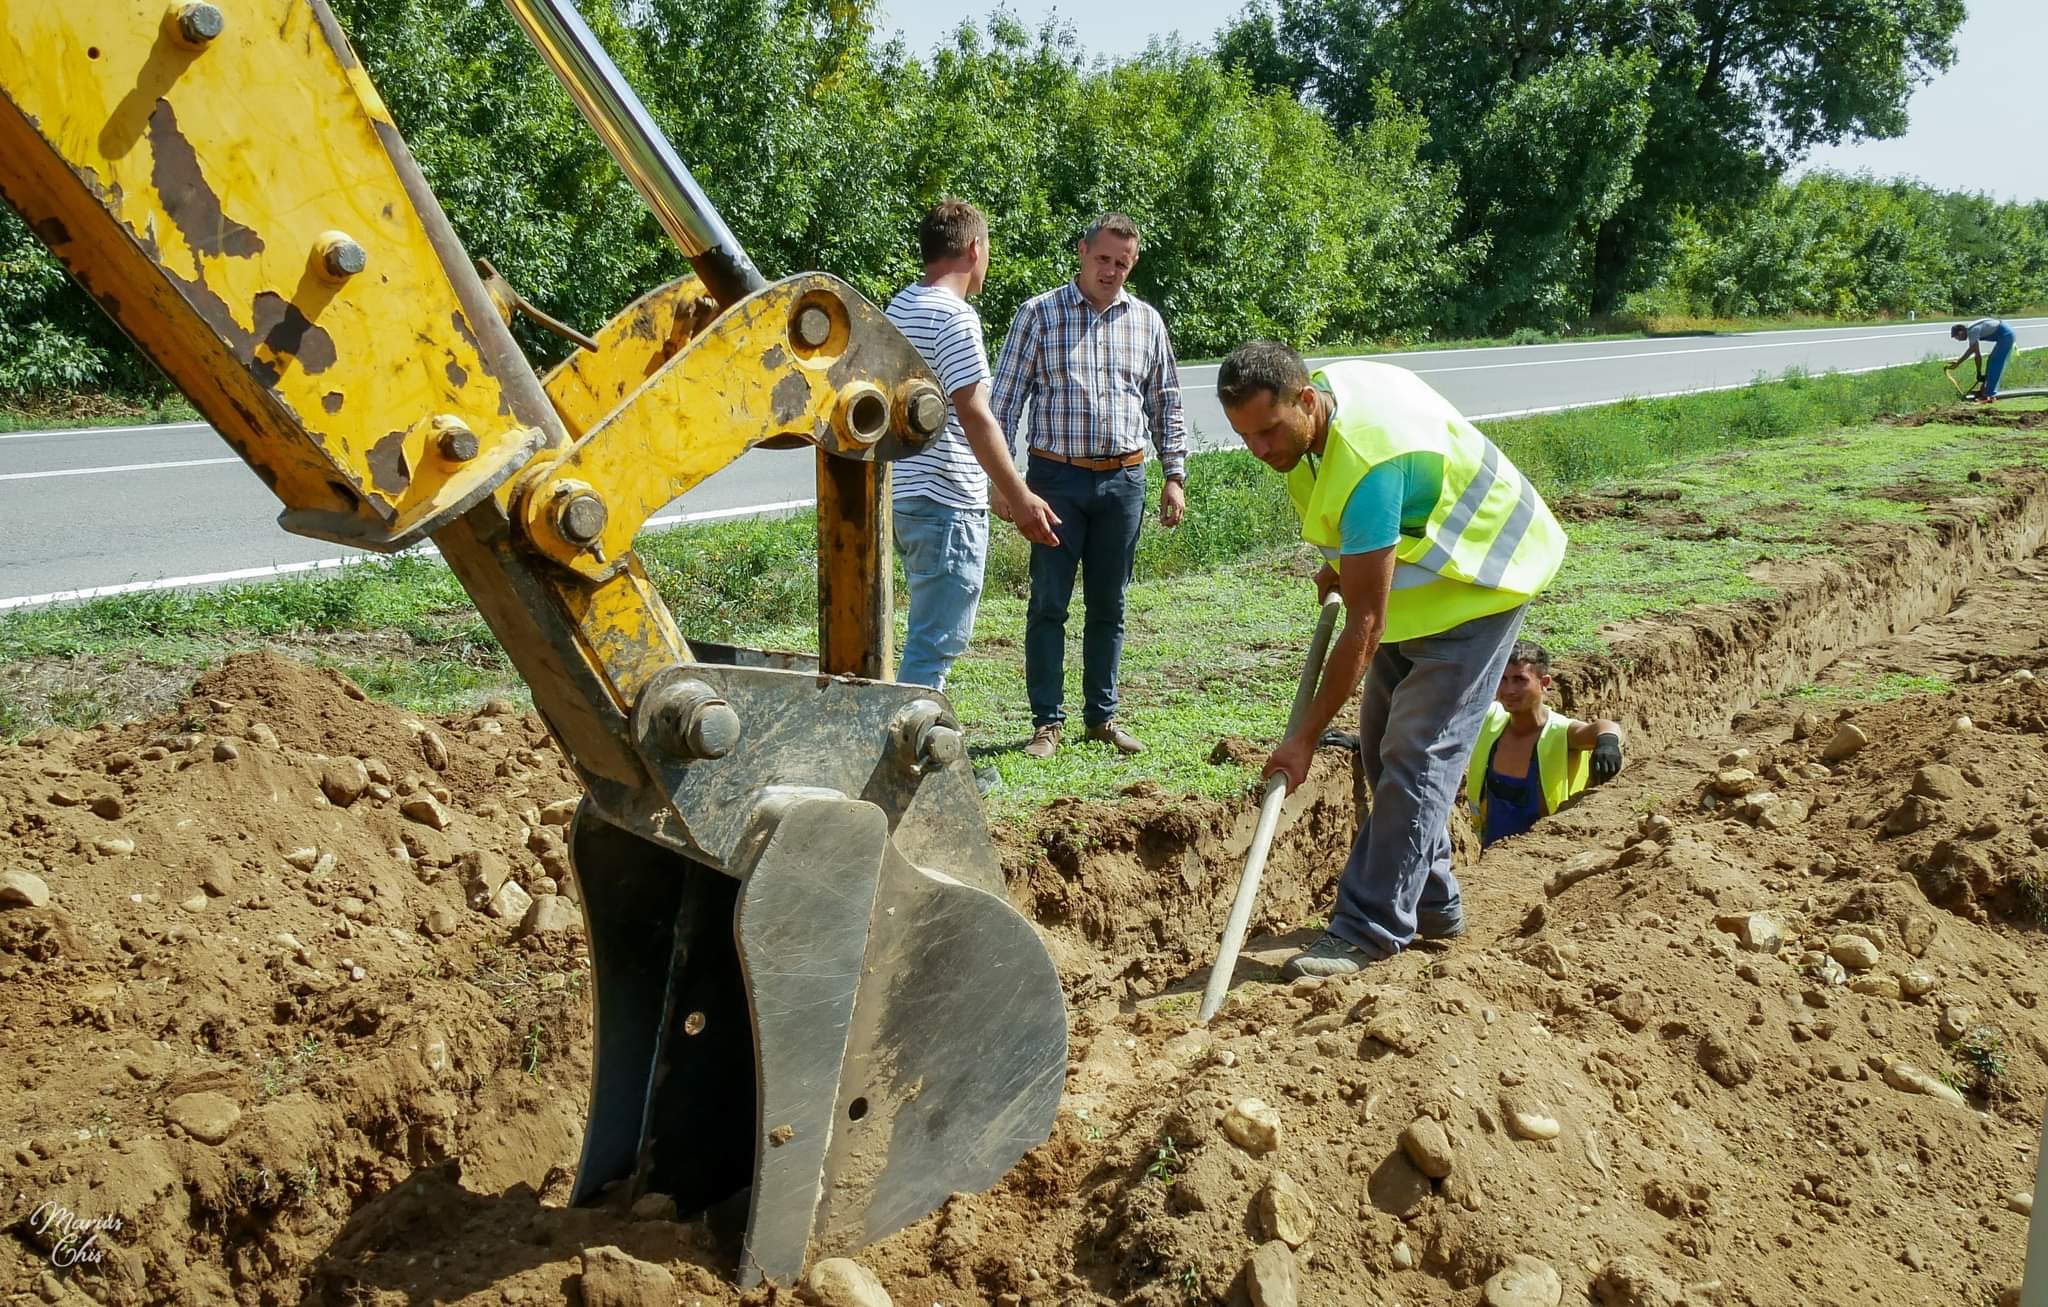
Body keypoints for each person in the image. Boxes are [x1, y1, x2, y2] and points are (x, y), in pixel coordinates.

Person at [1216, 341, 1567, 978]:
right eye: (1245, 436)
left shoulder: (1370, 464)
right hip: (1421, 585)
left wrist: (1304, 739)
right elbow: (1367, 532)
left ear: (1307, 400)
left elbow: (1364, 627)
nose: (1260, 449)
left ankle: (1368, 929)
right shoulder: (1312, 419)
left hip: (1482, 583)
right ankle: (1432, 902)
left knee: (1417, 753)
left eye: (1268, 431)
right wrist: (1345, 560)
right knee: (1381, 749)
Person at [991, 213, 1189, 759]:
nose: (1111, 271)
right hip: (1055, 480)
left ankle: (1101, 717)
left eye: (1122, 263)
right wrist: (1003, 484)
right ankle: (1046, 723)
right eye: (1103, 259)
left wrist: (1174, 474)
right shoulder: (1038, 315)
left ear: (1134, 263)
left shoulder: (1146, 322)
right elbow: (1003, 403)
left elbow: (1165, 401)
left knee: (1110, 603)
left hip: (1125, 480)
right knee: (1049, 601)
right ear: (1082, 252)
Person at [886, 199, 1062, 691]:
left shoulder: (900, 305)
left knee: (919, 638)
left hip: (903, 495)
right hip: (946, 501)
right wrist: (1018, 492)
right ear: (973, 248)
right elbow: (975, 413)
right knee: (934, 646)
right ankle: (905, 759)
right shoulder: (956, 317)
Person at [1469, 641, 1624, 847]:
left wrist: (1608, 742)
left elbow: (1605, 727)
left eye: (1519, 680)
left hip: (1542, 858)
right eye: (1502, 679)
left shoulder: (1559, 732)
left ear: (1544, 683)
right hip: (1490, 859)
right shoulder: (1490, 720)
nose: (1509, 690)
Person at [1949, 318, 2017, 402]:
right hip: (2004, 333)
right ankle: (1984, 390)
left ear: (1960, 332)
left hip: (2006, 335)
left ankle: (1989, 395)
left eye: (1957, 338)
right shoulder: (1971, 330)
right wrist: (1979, 372)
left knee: (1995, 364)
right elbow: (1976, 352)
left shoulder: (1972, 331)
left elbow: (1974, 352)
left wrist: (1959, 362)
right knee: (1991, 362)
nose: (1958, 340)